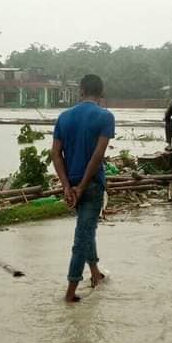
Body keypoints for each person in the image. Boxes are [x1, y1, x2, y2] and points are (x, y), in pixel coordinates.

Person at [51, 74, 116, 303]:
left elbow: (55, 154)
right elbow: (97, 156)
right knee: (83, 235)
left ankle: (96, 275)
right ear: (101, 93)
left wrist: (67, 186)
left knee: (86, 230)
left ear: (80, 91)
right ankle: (70, 290)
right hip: (92, 185)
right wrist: (82, 187)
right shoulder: (105, 117)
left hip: (73, 184)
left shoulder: (64, 117)